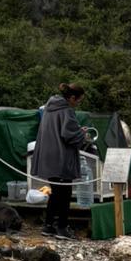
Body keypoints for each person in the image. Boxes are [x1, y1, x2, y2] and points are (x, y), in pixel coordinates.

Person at [33, 83, 93, 238]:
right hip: (61, 157)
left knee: (55, 192)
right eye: (78, 100)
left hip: (47, 156)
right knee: (64, 193)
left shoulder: (48, 108)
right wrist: (82, 134)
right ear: (72, 97)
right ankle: (62, 228)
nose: (77, 104)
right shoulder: (66, 110)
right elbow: (69, 135)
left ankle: (48, 226)